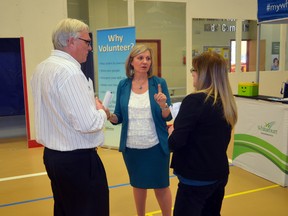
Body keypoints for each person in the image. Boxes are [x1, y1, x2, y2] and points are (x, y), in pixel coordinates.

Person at [30, 18, 110, 216]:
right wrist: (102, 111)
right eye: (87, 42)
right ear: (70, 41)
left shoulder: (41, 68)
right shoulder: (70, 73)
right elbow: (88, 123)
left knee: (65, 209)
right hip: (78, 161)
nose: (90, 48)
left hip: (53, 157)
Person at [168, 51, 238, 216]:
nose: (192, 73)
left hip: (195, 178)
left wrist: (172, 131)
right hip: (218, 174)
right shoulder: (226, 102)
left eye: (195, 69)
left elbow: (175, 143)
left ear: (204, 74)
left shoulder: (194, 101)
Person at [109, 44, 172, 216]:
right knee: (138, 185)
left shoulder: (159, 83)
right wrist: (108, 115)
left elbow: (168, 116)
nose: (145, 62)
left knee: (161, 186)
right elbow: (118, 117)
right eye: (140, 58)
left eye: (148, 58)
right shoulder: (123, 85)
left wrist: (163, 105)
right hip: (132, 148)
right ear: (131, 62)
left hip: (156, 146)